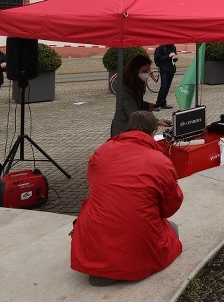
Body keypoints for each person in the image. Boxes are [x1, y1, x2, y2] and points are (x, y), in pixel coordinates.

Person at [71, 111, 184, 286]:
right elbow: (170, 206)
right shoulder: (160, 161)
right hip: (136, 237)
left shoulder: (101, 152)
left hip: (94, 234)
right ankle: (118, 267)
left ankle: (106, 266)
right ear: (153, 133)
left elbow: (93, 185)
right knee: (173, 229)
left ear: (128, 128)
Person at [110, 55, 171, 137]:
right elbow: (133, 113)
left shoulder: (138, 81)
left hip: (134, 129)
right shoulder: (124, 86)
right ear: (135, 70)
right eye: (145, 71)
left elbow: (136, 100)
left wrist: (147, 105)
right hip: (123, 130)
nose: (147, 74)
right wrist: (156, 122)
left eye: (148, 71)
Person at [153, 44, 177, 109]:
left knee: (167, 87)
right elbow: (157, 58)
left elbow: (174, 60)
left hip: (171, 70)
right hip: (164, 69)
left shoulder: (173, 47)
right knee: (164, 86)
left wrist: (175, 58)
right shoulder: (162, 47)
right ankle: (158, 103)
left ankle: (163, 102)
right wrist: (168, 56)